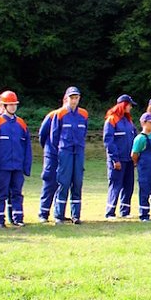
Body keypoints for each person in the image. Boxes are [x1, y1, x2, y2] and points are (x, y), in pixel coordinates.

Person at [0, 91, 31, 228]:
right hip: (3, 167)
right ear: (4, 106)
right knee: (1, 193)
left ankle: (18, 218)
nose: (13, 107)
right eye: (10, 105)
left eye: (14, 105)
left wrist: (26, 166)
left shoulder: (21, 123)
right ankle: (0, 219)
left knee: (17, 192)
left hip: (17, 166)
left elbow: (27, 147)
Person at [50, 86, 88, 225]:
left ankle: (76, 215)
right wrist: (60, 149)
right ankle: (59, 215)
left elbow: (84, 132)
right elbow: (54, 136)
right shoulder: (59, 114)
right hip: (65, 151)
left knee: (77, 182)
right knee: (64, 182)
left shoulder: (83, 114)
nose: (74, 100)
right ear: (66, 98)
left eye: (76, 98)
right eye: (72, 98)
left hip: (78, 151)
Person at [103, 94, 137, 220]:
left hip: (129, 159)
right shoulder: (111, 120)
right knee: (115, 185)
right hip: (118, 160)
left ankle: (125, 211)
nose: (131, 108)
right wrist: (114, 159)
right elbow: (108, 141)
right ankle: (110, 212)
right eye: (129, 105)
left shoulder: (129, 121)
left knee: (129, 185)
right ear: (123, 105)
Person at [37, 107, 58, 222]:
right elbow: (42, 134)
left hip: (66, 155)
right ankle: (43, 213)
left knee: (63, 184)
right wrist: (48, 149)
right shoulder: (52, 116)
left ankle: (58, 212)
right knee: (49, 182)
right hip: (52, 155)